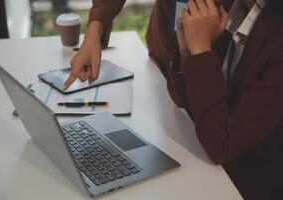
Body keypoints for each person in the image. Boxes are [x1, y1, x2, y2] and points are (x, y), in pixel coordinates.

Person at [64, 0, 283, 199]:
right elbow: (187, 99)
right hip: (202, 139)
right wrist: (188, 52)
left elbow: (222, 144)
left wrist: (200, 51)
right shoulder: (237, 11)